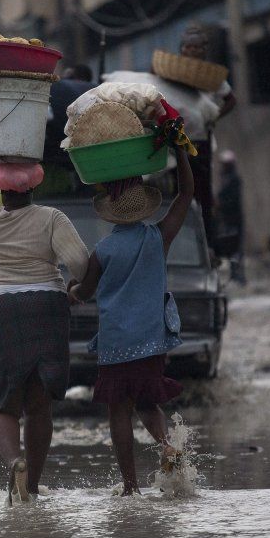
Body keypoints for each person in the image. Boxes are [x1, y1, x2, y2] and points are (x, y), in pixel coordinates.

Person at [0, 95, 90, 504]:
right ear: (35, 183)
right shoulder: (52, 219)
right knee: (38, 404)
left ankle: (14, 462)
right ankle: (32, 485)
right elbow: (80, 264)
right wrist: (75, 290)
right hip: (47, 306)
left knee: (0, 402)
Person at [69, 145, 194, 496]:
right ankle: (169, 445)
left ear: (110, 212)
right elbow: (187, 193)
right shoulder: (159, 238)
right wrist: (181, 151)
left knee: (119, 412)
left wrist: (73, 290)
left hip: (116, 345)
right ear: (144, 206)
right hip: (152, 341)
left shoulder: (103, 251)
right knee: (146, 402)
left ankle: (130, 487)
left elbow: (87, 291)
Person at [173, 26, 236, 245]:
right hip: (175, 140)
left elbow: (231, 100)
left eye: (196, 47)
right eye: (187, 46)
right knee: (175, 193)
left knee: (202, 194)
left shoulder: (211, 76)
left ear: (204, 50)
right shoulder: (172, 73)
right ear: (181, 50)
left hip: (200, 142)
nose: (191, 51)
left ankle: (206, 244)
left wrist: (214, 117)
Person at [216, 151, 246, 283]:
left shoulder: (234, 180)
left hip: (234, 219)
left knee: (236, 248)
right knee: (232, 248)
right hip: (227, 219)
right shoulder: (225, 179)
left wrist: (220, 205)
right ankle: (235, 274)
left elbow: (232, 200)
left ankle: (238, 275)